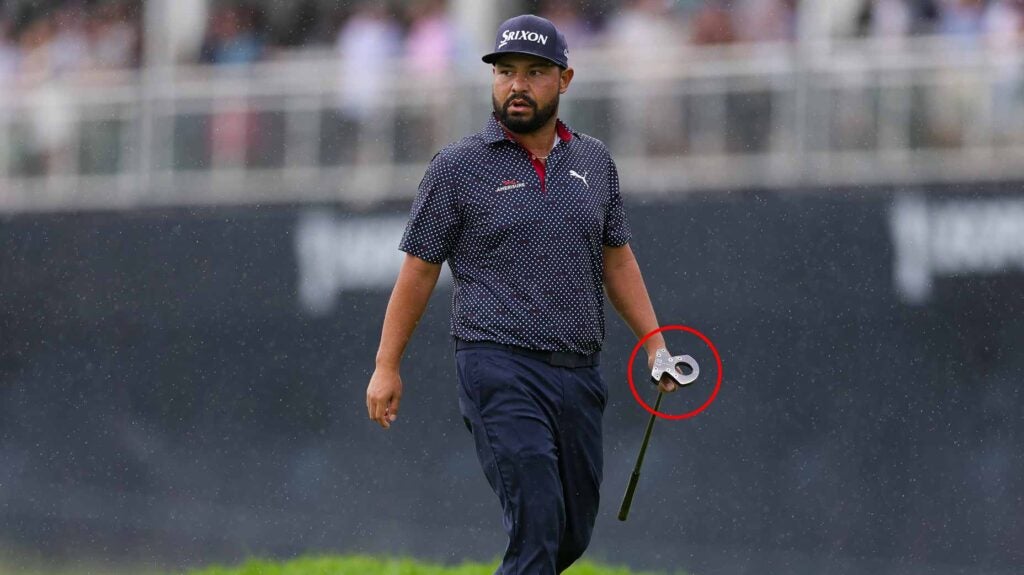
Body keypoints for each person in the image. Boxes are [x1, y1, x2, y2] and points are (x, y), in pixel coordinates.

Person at [366, 14, 680, 574]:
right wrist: (386, 365)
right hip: (498, 365)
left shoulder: (594, 163)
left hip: (580, 372)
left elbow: (617, 258)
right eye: (506, 71)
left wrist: (656, 343)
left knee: (570, 533)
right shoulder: (458, 167)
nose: (517, 84)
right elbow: (417, 272)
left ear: (565, 79)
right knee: (537, 519)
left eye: (535, 72)